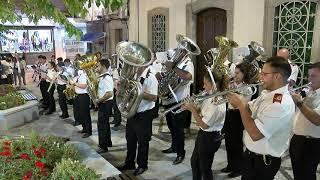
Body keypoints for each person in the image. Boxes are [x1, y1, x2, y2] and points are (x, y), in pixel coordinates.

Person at [227, 56, 295, 180]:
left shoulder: (280, 103)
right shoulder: (267, 93)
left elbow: (255, 134)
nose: (260, 77)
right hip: (252, 156)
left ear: (277, 76)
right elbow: (250, 107)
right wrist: (239, 101)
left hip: (263, 162)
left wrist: (241, 106)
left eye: (264, 74)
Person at [183, 72, 226, 180]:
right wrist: (192, 106)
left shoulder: (217, 102)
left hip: (210, 138)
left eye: (205, 84)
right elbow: (201, 111)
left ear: (214, 85)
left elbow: (204, 124)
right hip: (203, 134)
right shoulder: (209, 95)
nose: (203, 86)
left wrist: (192, 109)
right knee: (195, 162)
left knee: (204, 168)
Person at [118, 65, 158, 176]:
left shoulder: (151, 77)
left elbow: (154, 97)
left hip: (144, 114)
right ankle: (129, 162)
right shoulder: (134, 75)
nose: (135, 65)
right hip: (132, 111)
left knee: (142, 141)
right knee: (130, 139)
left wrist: (138, 92)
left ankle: (142, 165)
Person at [160, 49, 194, 165]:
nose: (180, 53)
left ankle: (181, 153)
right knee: (171, 126)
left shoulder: (188, 63)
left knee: (179, 129)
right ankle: (174, 147)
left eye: (183, 51)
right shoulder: (177, 63)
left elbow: (188, 76)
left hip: (180, 100)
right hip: (168, 99)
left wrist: (173, 67)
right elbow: (167, 75)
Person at [221, 63, 254, 178]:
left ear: (244, 74)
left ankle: (238, 168)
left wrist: (232, 93)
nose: (234, 75)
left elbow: (241, 104)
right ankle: (230, 165)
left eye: (237, 73)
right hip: (229, 113)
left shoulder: (248, 88)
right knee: (228, 142)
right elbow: (226, 100)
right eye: (234, 72)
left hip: (239, 116)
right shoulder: (232, 84)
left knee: (237, 143)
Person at [289, 62, 320, 180]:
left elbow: (317, 120)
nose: (309, 79)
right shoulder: (311, 91)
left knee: (307, 175)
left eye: (313, 76)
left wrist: (299, 103)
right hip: (298, 139)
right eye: (309, 75)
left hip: (311, 144)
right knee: (298, 174)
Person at [93, 59, 114, 153]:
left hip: (105, 103)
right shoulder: (102, 77)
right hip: (104, 102)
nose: (96, 67)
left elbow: (109, 93)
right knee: (105, 123)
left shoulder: (107, 78)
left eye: (98, 66)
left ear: (104, 66)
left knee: (102, 124)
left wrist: (98, 100)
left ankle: (103, 146)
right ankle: (108, 142)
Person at [70, 64, 92, 138]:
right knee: (80, 113)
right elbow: (73, 83)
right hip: (77, 95)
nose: (76, 66)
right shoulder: (78, 73)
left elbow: (84, 86)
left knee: (85, 114)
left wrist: (74, 83)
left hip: (84, 96)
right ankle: (84, 128)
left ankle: (89, 131)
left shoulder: (85, 74)